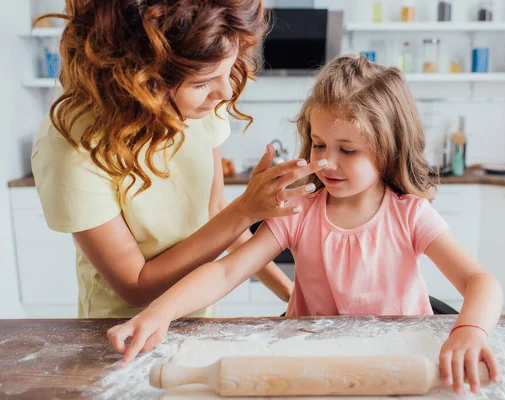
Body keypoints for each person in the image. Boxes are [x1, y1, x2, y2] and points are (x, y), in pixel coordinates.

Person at [108, 55, 504, 396]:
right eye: (318, 144)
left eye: (347, 150)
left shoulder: (410, 215)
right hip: (309, 365)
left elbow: (480, 282)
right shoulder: (301, 210)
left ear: (388, 150)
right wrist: (159, 313)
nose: (327, 161)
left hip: (396, 361)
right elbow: (227, 270)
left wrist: (470, 330)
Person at [31, 0, 327, 319]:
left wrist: (291, 294)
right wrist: (245, 210)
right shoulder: (72, 145)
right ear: (140, 79)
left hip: (200, 319)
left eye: (227, 72)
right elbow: (135, 285)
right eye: (202, 82)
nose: (226, 93)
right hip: (119, 332)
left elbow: (215, 213)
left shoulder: (201, 108)